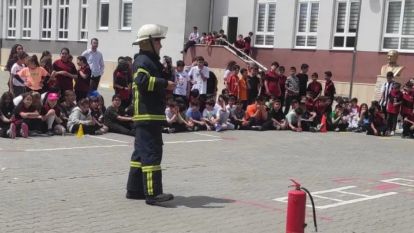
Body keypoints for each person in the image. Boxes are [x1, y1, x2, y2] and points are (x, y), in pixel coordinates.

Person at [126, 24, 176, 205]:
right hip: (148, 115)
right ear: (147, 43)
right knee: (152, 153)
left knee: (140, 154)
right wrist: (165, 83)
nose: (161, 45)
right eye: (158, 40)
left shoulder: (147, 60)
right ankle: (153, 193)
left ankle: (134, 189)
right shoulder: (143, 61)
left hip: (147, 115)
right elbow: (142, 81)